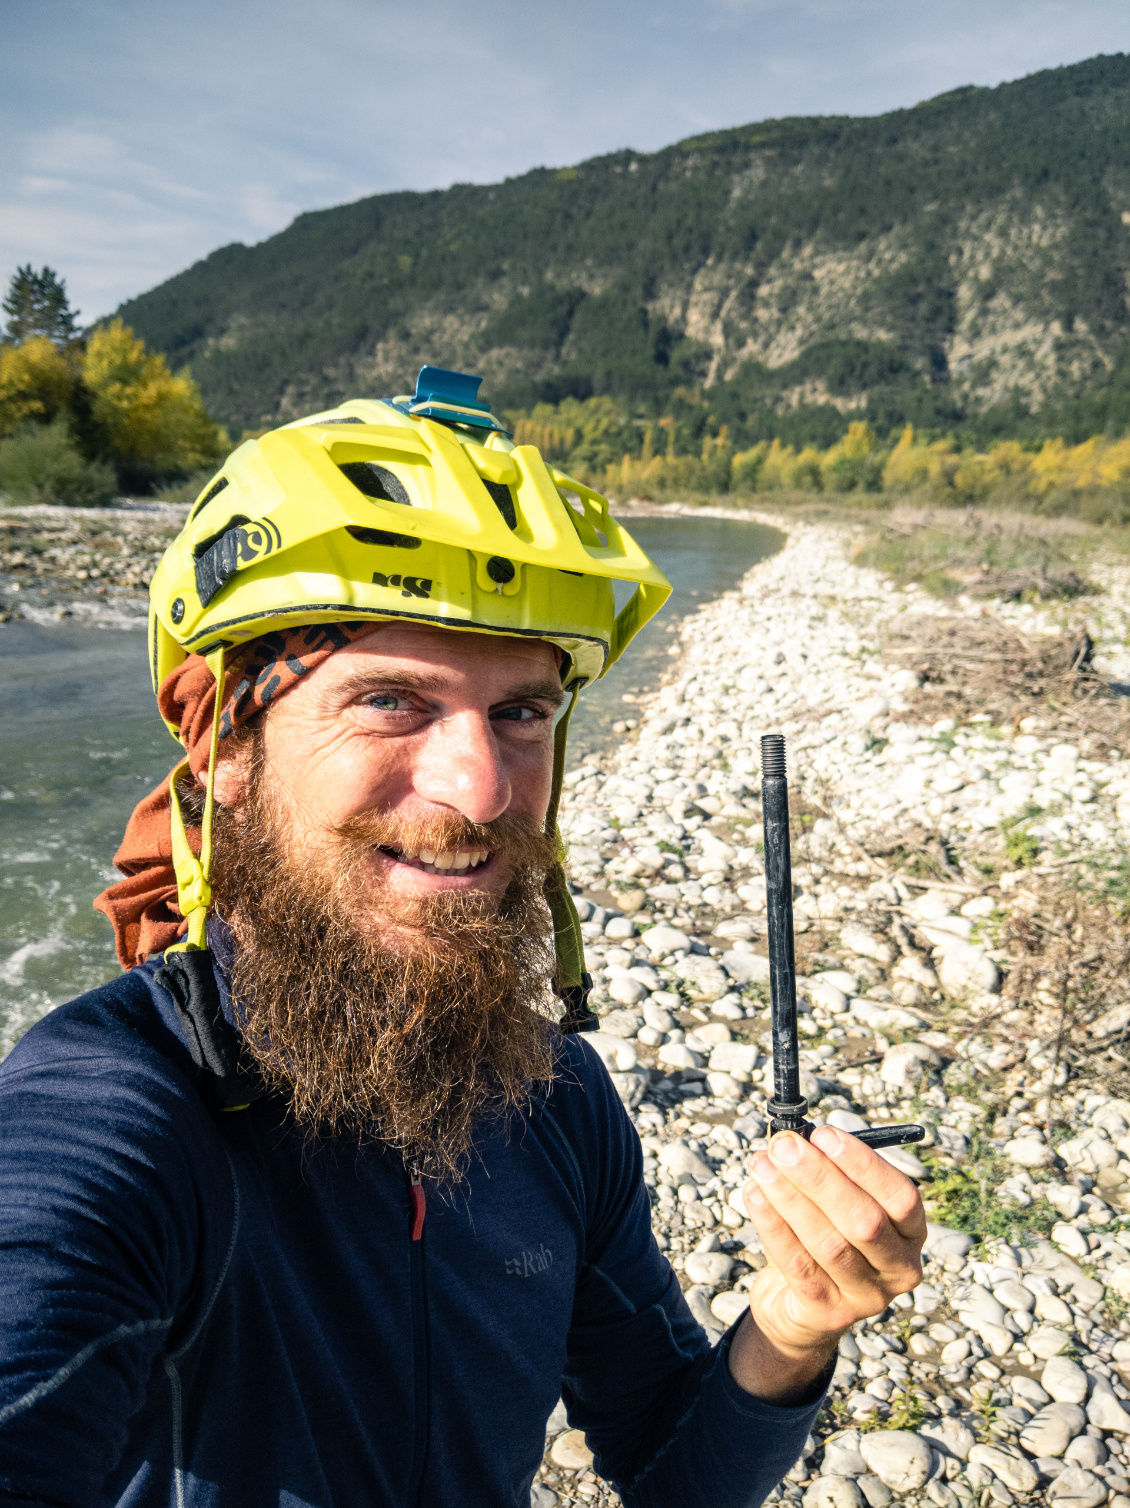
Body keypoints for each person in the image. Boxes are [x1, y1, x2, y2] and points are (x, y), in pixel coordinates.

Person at [0, 368, 925, 1508]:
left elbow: (666, 1461)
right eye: (391, 699)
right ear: (226, 752)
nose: (480, 787)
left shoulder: (554, 1100)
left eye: (520, 711)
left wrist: (789, 1323)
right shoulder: (116, 1106)